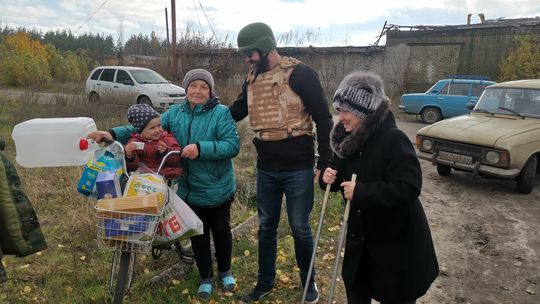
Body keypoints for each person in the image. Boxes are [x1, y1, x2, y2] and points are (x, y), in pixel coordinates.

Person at [88, 69, 240, 300]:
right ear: (186, 88)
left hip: (217, 185)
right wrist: (110, 133)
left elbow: (232, 145)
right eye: (193, 86)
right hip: (188, 187)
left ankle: (225, 272)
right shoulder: (175, 113)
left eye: (203, 87)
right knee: (198, 233)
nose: (198, 91)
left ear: (210, 91)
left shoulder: (221, 114)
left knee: (221, 230)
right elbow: (144, 128)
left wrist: (200, 148)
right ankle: (206, 278)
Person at [229, 22, 333, 304]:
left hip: (298, 168)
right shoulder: (252, 79)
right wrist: (207, 114)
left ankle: (308, 282)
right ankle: (265, 282)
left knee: (300, 227)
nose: (247, 59)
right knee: (266, 227)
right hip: (266, 168)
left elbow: (324, 118)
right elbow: (236, 111)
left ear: (264, 47)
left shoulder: (300, 74)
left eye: (249, 53)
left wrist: (324, 161)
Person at [321, 71, 439, 304]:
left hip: (396, 243)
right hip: (362, 241)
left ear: (362, 111)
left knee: (396, 297)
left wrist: (362, 192)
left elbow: (409, 186)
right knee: (357, 291)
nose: (340, 116)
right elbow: (337, 171)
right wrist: (328, 177)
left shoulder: (393, 139)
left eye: (344, 110)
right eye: (339, 110)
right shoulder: (346, 138)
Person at [124, 104, 182, 181]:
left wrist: (166, 152)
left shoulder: (166, 139)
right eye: (152, 128)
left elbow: (177, 158)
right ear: (140, 131)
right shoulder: (134, 143)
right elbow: (133, 167)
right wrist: (129, 156)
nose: (158, 130)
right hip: (145, 179)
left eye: (159, 125)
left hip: (166, 177)